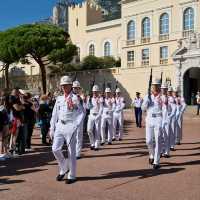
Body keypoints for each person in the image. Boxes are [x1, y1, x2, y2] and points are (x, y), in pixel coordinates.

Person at [50, 76, 84, 184]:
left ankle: (72, 175)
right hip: (60, 125)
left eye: (66, 85)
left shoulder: (75, 98)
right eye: (63, 85)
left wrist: (76, 125)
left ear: (70, 86)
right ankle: (64, 167)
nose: (64, 87)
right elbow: (54, 114)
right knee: (55, 149)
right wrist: (52, 128)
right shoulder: (59, 98)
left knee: (71, 152)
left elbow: (82, 113)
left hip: (70, 126)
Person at [142, 78, 163, 169]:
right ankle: (151, 154)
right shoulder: (147, 96)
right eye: (154, 86)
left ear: (159, 87)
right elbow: (143, 109)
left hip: (159, 118)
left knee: (158, 140)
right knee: (149, 141)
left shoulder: (162, 97)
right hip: (149, 119)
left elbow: (167, 109)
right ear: (151, 87)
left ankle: (156, 161)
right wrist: (146, 103)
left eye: (157, 85)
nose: (155, 87)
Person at [72, 80, 86, 159]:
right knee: (71, 136)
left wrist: (83, 99)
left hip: (79, 119)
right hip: (71, 119)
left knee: (78, 136)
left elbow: (85, 109)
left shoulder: (81, 97)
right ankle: (72, 151)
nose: (76, 89)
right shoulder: (69, 96)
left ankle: (78, 153)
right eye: (74, 88)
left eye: (77, 88)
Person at [86, 85, 102, 150]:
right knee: (89, 130)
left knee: (97, 131)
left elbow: (101, 108)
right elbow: (87, 107)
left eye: (96, 91)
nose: (95, 93)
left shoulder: (100, 99)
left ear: (98, 92)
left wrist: (99, 115)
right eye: (94, 92)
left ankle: (96, 145)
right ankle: (92, 143)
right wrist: (87, 101)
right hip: (91, 115)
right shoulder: (90, 98)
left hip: (97, 115)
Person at [160, 83, 170, 157]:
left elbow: (172, 109)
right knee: (160, 136)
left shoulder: (170, 98)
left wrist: (168, 105)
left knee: (166, 135)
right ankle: (160, 151)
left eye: (165, 89)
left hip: (167, 119)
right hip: (160, 118)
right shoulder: (159, 97)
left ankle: (166, 152)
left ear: (167, 90)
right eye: (162, 88)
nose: (163, 90)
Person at [167, 86, 177, 151]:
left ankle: (172, 145)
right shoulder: (164, 98)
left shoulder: (172, 99)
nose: (168, 92)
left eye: (170, 91)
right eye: (168, 91)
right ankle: (166, 146)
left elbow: (174, 108)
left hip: (172, 116)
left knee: (172, 131)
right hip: (165, 117)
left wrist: (171, 115)